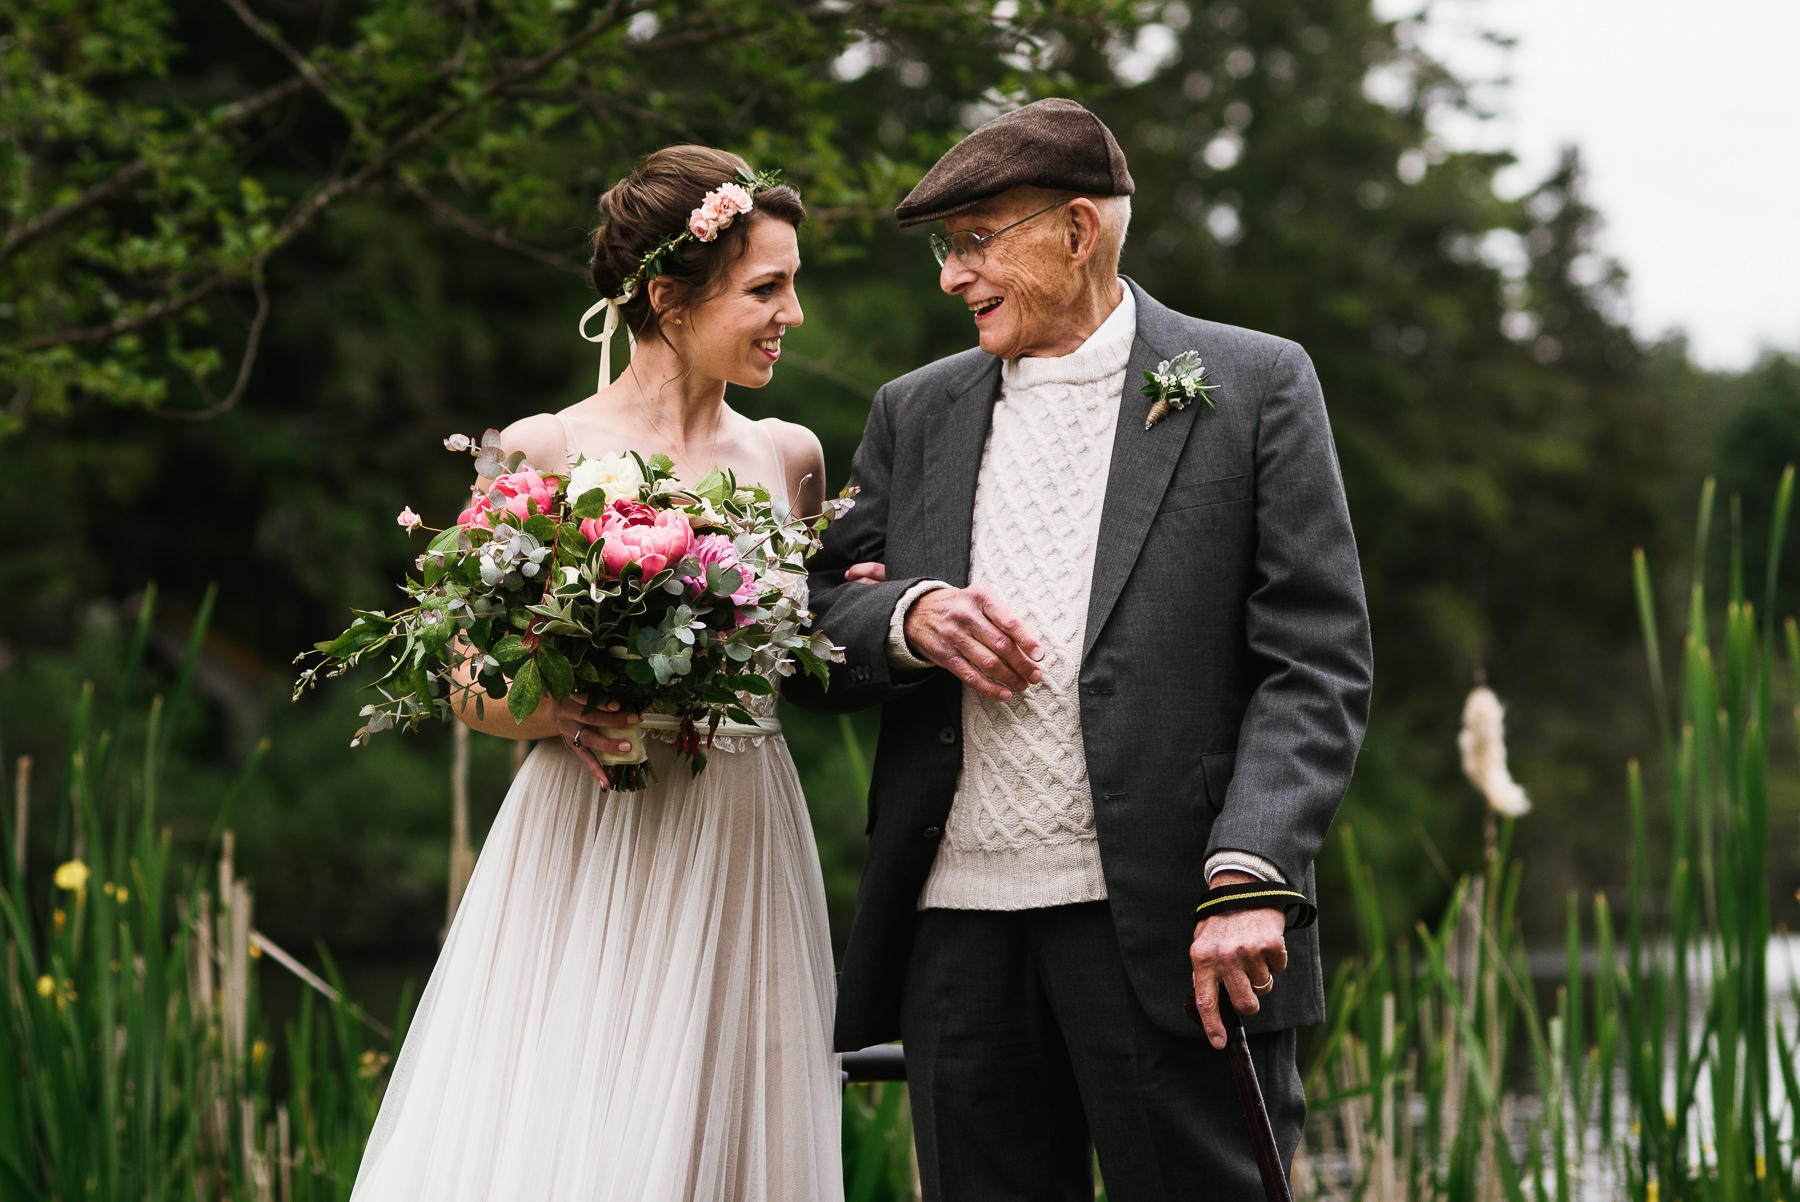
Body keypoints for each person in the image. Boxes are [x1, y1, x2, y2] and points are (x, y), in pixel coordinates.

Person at [785, 99, 1373, 1201]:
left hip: (1176, 924)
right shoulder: (913, 411)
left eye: (975, 242)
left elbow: (1317, 656)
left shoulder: (1255, 383)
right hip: (954, 929)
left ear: (1076, 230)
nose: (953, 277)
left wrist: (1250, 869)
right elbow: (807, 624)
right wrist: (905, 616)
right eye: (943, 251)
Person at [351, 145, 844, 1202]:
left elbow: (810, 646)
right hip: (594, 827)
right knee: (576, 1129)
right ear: (668, 298)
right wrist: (554, 701)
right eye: (767, 287)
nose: (791, 313)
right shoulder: (540, 445)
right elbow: (464, 674)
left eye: (792, 284)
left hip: (743, 823)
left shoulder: (791, 454)